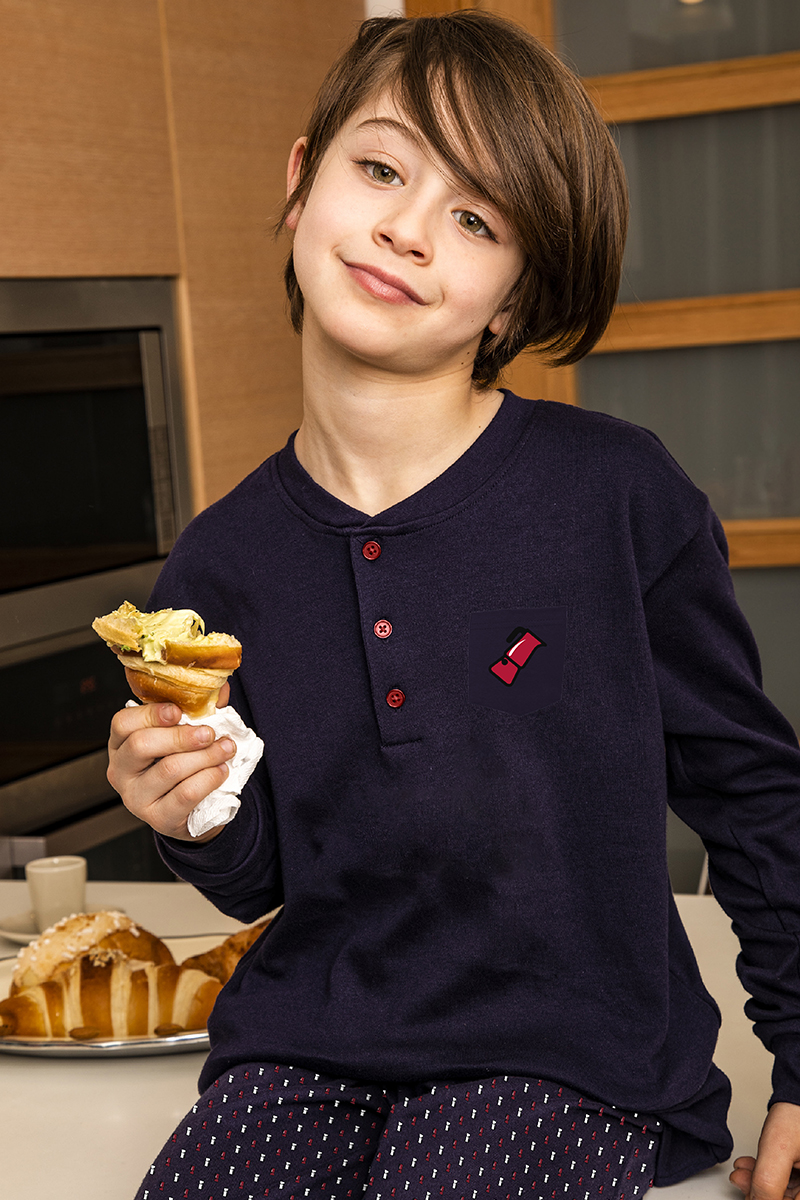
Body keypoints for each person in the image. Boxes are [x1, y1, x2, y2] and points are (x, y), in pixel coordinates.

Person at [107, 13, 800, 1200]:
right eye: (379, 168)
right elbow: (270, 877)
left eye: (473, 219)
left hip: (569, 1053)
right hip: (305, 1042)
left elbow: (751, 790)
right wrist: (194, 818)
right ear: (299, 179)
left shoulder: (616, 493)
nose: (404, 230)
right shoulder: (218, 565)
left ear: (512, 299)